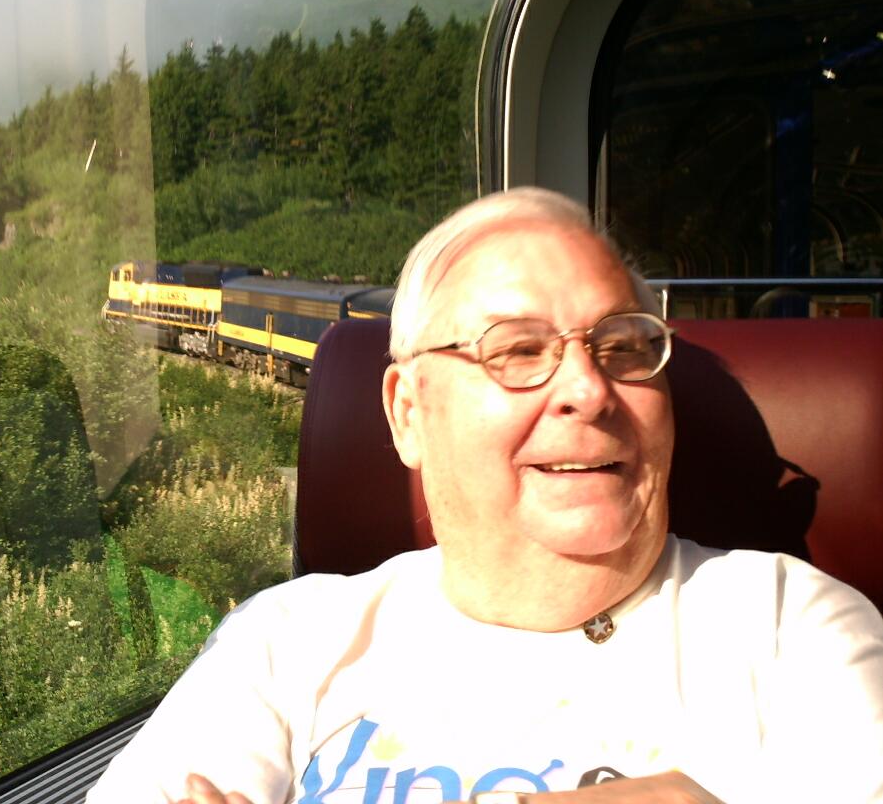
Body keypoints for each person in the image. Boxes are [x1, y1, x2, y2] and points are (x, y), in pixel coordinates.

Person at [87, 188, 883, 804]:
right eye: (518, 350)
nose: (586, 388)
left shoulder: (790, 629)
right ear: (408, 412)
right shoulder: (283, 643)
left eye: (621, 347)